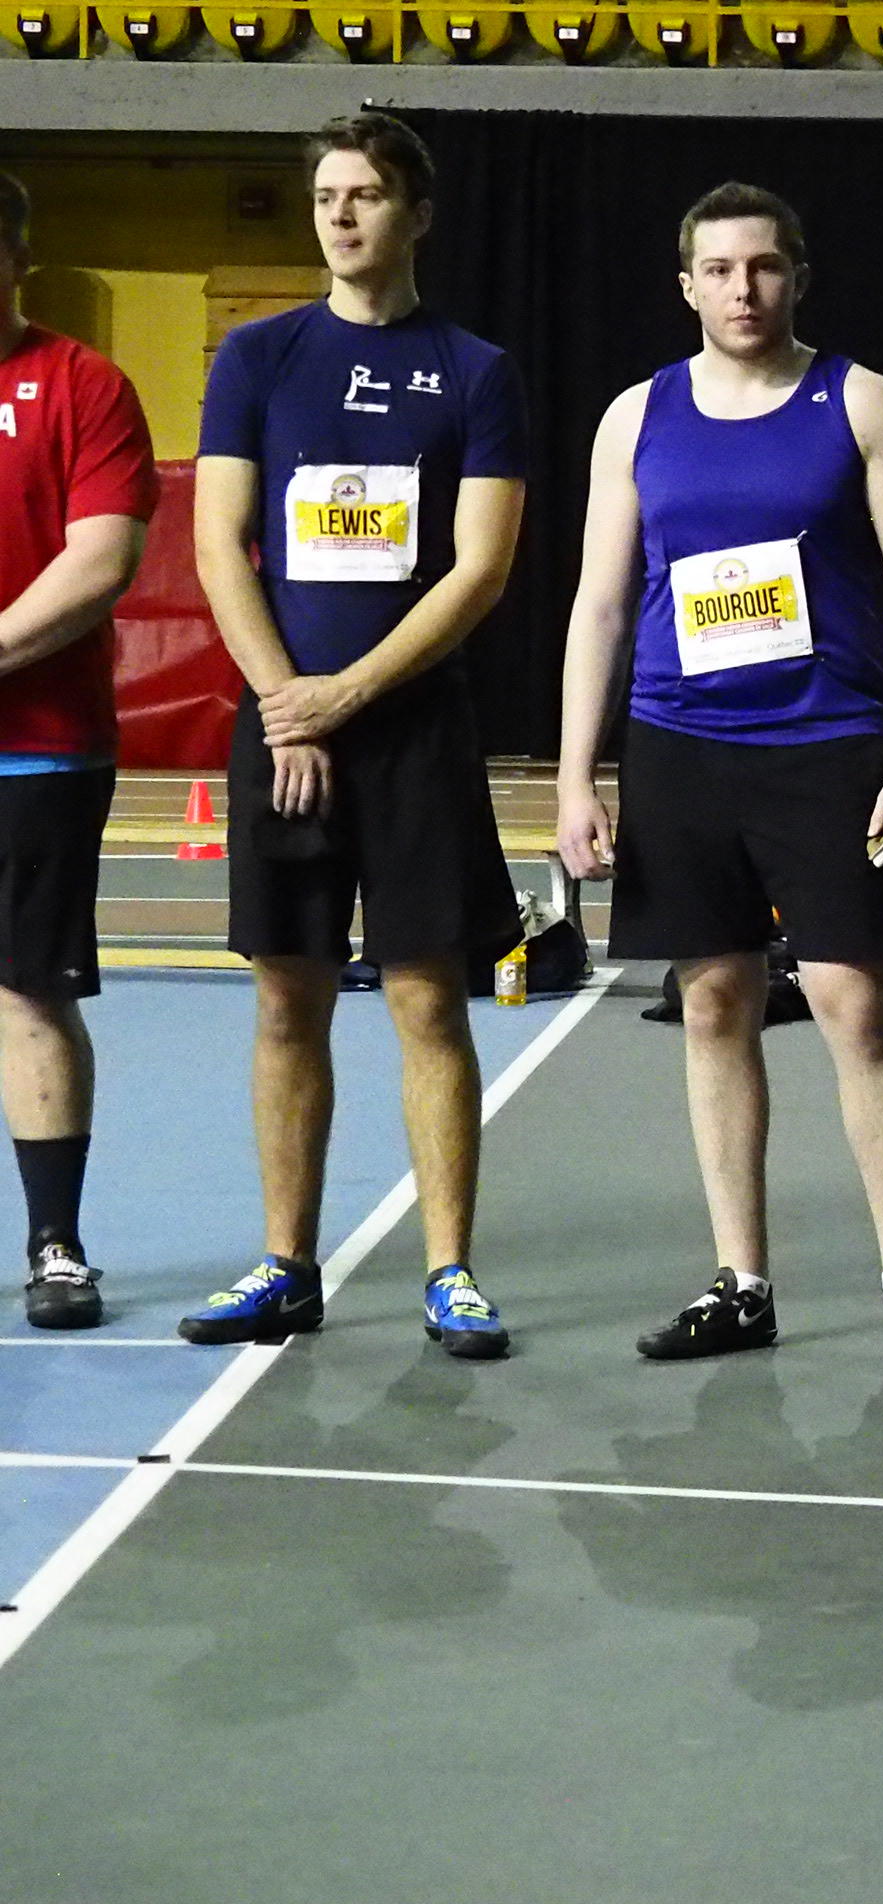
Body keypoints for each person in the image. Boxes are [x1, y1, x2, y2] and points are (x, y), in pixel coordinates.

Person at [553, 184, 883, 1372]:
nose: (743, 290)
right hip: (680, 745)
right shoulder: (637, 417)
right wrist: (579, 771)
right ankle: (741, 1281)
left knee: (853, 1003)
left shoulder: (866, 405)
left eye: (765, 268)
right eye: (720, 270)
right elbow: (598, 600)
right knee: (714, 1002)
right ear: (686, 285)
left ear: (797, 278)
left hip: (826, 745)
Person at [182, 112, 526, 1358]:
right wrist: (289, 704)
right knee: (288, 1004)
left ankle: (450, 1273)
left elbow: (478, 568)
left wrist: (349, 696)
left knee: (430, 1005)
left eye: (367, 194)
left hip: (413, 733)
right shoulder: (258, 358)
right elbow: (221, 544)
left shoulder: (476, 370)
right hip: (284, 731)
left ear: (414, 213)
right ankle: (285, 1264)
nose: (340, 214)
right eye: (327, 193)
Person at [0, 174, 158, 1331]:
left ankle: (56, 1244)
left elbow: (99, 561)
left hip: (39, 754)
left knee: (28, 994)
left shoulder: (83, 384)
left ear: (16, 254)